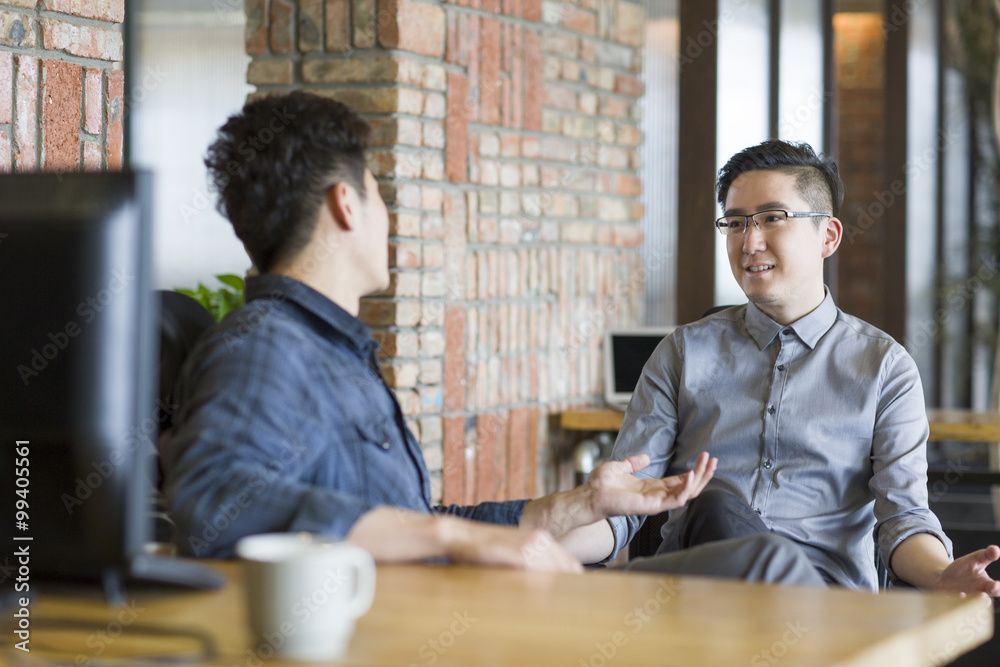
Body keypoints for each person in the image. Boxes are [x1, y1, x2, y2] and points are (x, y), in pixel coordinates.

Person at [161, 91, 723, 574]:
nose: (388, 218)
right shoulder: (263, 345)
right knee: (757, 564)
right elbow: (213, 506)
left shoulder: (331, 350)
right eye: (378, 193)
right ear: (346, 205)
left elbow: (415, 526)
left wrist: (580, 504)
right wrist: (450, 538)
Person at [565, 139, 1000, 594]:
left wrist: (938, 574)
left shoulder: (884, 367)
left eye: (773, 218)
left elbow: (903, 517)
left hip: (821, 604)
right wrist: (537, 551)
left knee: (718, 512)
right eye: (735, 223)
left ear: (828, 236)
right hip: (692, 594)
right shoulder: (682, 353)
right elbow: (623, 505)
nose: (749, 242)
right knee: (714, 509)